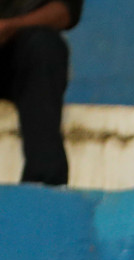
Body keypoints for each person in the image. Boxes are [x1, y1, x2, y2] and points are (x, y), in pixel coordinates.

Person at [0, 0, 78, 186]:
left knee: (45, 45)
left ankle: (43, 182)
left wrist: (11, 26)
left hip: (18, 55)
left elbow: (65, 12)